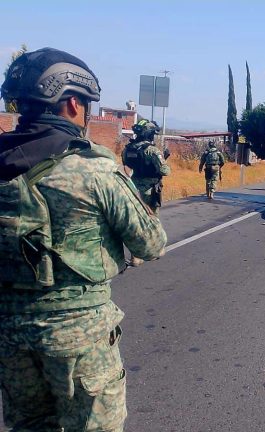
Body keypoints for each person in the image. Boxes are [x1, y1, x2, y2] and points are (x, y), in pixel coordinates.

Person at [0, 47, 167, 432]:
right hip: (78, 334)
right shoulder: (92, 168)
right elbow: (151, 243)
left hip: (10, 334)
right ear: (73, 104)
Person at [121, 118, 170, 212]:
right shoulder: (152, 150)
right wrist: (163, 159)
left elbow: (125, 166)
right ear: (149, 134)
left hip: (131, 190)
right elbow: (165, 171)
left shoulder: (126, 149)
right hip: (148, 192)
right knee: (151, 218)